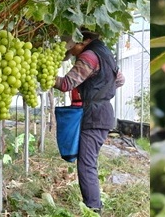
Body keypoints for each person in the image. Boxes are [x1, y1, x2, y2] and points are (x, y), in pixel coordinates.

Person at [54, 29, 125, 214]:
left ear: (82, 41)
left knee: (86, 165)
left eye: (72, 47)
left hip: (94, 115)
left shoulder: (89, 56)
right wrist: (101, 92)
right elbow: (120, 80)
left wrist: (41, 75)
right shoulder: (105, 54)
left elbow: (65, 84)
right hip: (101, 113)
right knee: (88, 161)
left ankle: (93, 209)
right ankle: (93, 207)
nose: (71, 52)